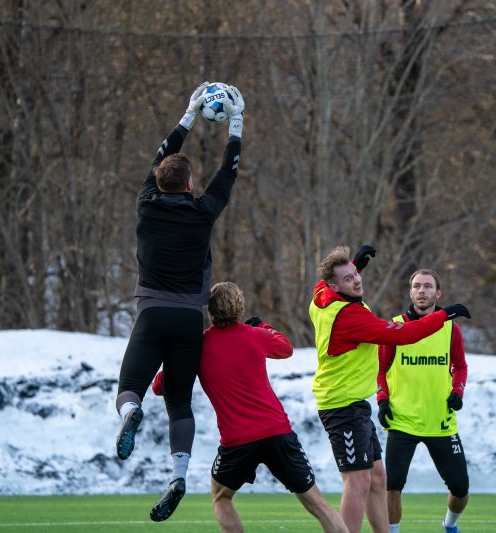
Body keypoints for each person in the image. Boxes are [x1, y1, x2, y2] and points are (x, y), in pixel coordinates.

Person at [114, 81, 245, 522]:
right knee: (180, 404)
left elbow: (160, 155)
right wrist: (237, 123)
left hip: (151, 313)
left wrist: (189, 114)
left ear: (157, 181)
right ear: (190, 183)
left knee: (130, 387)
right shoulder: (203, 210)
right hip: (190, 317)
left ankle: (132, 413)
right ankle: (178, 475)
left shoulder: (146, 204)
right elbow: (228, 173)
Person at [152, 282, 349, 533]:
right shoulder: (256, 335)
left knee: (221, 498)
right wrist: (261, 325)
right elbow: (286, 347)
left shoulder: (197, 346)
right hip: (278, 433)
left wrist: (175, 355)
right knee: (318, 505)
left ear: (209, 311)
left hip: (237, 442)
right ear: (240, 308)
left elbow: (159, 387)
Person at [308, 245, 471, 533]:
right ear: (335, 286)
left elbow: (323, 282)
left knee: (377, 479)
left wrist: (354, 268)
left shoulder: (322, 295)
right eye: (348, 279)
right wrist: (444, 315)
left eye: (355, 275)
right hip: (341, 404)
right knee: (357, 482)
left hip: (357, 404)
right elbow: (407, 334)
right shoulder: (348, 316)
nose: (357, 281)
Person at [376, 269, 470, 533]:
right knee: (392, 486)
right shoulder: (394, 326)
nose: (421, 291)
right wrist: (382, 400)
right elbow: (380, 370)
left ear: (437, 293)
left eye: (428, 286)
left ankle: (449, 526)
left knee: (461, 489)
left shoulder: (451, 328)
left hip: (440, 421)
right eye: (416, 286)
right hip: (402, 421)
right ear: (410, 292)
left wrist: (458, 392)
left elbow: (461, 366)